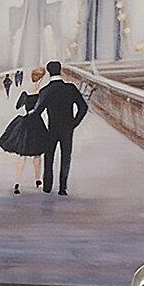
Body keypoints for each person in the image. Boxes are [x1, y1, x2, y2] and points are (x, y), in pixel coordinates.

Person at [35, 59, 90, 195]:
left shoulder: (45, 91)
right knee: (66, 157)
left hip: (51, 129)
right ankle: (62, 188)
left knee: (49, 158)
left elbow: (37, 112)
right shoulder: (70, 88)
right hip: (67, 129)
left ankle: (47, 186)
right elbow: (83, 107)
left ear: (48, 72)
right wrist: (74, 123)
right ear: (60, 70)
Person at [0, 67, 50, 193]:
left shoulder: (26, 91)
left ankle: (17, 182)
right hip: (37, 124)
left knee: (22, 155)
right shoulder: (42, 92)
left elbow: (17, 106)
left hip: (25, 123)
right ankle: (38, 180)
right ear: (42, 78)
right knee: (38, 154)